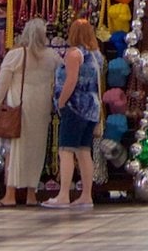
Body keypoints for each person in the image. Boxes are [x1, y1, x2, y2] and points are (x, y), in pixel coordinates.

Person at [0, 16, 56, 206]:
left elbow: (3, 83)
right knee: (36, 150)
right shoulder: (51, 56)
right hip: (42, 107)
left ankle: (10, 195)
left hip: (19, 106)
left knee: (15, 150)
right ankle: (31, 194)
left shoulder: (16, 55)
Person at [46, 17, 101, 209]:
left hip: (75, 106)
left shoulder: (73, 54)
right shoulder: (95, 55)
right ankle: (86, 195)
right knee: (84, 151)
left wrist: (61, 102)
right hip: (92, 108)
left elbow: (71, 80)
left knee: (66, 150)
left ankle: (63, 195)